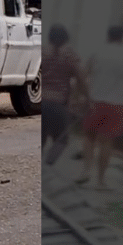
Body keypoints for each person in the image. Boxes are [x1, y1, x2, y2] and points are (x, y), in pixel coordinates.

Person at [77, 25, 123, 188]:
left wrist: (82, 97)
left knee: (89, 137)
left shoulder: (97, 52)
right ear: (122, 37)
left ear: (108, 36)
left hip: (95, 102)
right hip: (118, 105)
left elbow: (83, 75)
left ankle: (85, 171)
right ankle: (101, 180)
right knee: (107, 142)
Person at [42, 24, 89, 165]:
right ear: (65, 39)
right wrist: (87, 97)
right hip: (59, 104)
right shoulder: (70, 56)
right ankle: (48, 163)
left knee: (41, 138)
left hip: (42, 101)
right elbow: (81, 78)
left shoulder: (42, 52)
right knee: (62, 139)